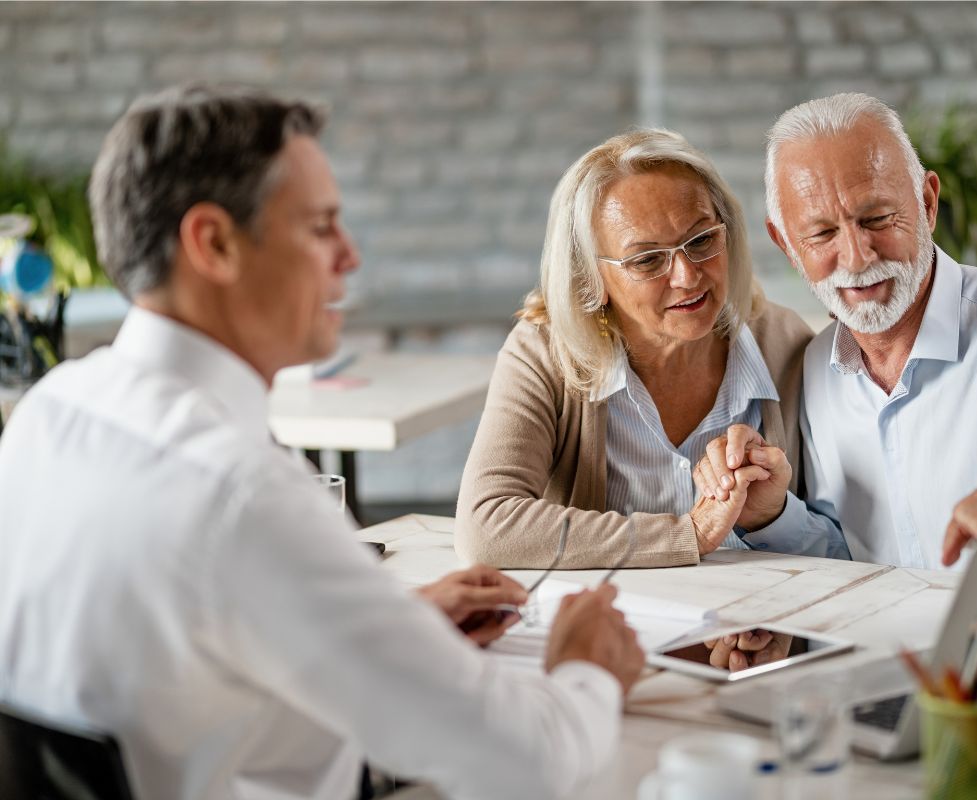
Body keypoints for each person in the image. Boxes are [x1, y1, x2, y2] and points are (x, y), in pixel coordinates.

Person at [0, 85, 644, 800]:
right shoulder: (244, 495)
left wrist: (380, 629)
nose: (350, 256)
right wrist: (586, 669)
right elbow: (527, 764)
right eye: (321, 227)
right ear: (212, 243)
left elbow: (160, 654)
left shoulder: (47, 412)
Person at [693, 92, 977, 570]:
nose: (857, 258)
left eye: (876, 218)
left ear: (927, 204)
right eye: (822, 235)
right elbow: (853, 558)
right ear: (788, 247)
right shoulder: (817, 366)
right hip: (887, 643)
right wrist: (771, 515)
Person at [454, 129, 849, 570]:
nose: (686, 276)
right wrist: (689, 534)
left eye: (701, 241)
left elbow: (843, 547)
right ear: (592, 280)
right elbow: (485, 528)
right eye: (646, 260)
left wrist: (772, 517)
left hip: (755, 628)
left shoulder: (787, 343)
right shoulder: (545, 353)